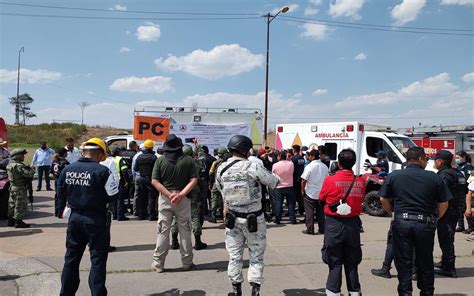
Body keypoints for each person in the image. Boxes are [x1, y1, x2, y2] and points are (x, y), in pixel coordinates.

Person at [379, 146, 451, 296]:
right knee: (425, 262)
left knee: (404, 263)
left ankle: (405, 293)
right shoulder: (434, 177)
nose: (427, 162)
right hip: (425, 225)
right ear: (420, 159)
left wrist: (392, 212)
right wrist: (437, 217)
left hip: (402, 224)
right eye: (426, 159)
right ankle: (427, 292)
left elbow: (383, 198)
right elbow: (444, 203)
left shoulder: (394, 176)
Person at [216, 135, 279, 296]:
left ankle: (236, 290)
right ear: (246, 150)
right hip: (254, 219)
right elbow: (273, 182)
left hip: (232, 218)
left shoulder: (221, 168)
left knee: (235, 256)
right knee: (256, 256)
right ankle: (255, 291)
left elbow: (219, 188)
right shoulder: (253, 166)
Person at [56, 137, 118, 296]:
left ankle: (66, 293)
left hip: (74, 219)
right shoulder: (103, 171)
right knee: (97, 260)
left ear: (84, 152)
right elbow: (113, 195)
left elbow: (60, 194)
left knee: (71, 258)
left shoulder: (68, 169)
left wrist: (59, 211)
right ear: (99, 154)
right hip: (96, 220)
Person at [319, 149, 365, 296]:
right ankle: (354, 291)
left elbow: (321, 199)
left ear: (338, 163)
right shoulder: (360, 181)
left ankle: (333, 292)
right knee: (352, 262)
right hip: (353, 224)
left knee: (334, 261)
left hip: (334, 224)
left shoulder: (330, 180)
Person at [151, 134, 197, 273]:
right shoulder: (188, 160)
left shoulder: (160, 161)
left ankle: (158, 263)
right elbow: (194, 180)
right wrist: (181, 194)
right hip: (183, 199)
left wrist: (169, 194)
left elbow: (154, 181)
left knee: (163, 230)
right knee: (185, 230)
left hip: (165, 198)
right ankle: (187, 262)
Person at [434, 150, 466, 278]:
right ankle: (445, 262)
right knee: (448, 237)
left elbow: (442, 196)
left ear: (440, 161)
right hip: (456, 209)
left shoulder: (444, 175)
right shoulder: (458, 173)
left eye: (436, 160)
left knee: (446, 239)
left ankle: (449, 268)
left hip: (447, 211)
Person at [170, 144, 207, 251]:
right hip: (194, 191)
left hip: (179, 191)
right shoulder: (195, 163)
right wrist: (197, 145)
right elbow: (202, 157)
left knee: (176, 216)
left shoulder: (175, 163)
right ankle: (198, 242)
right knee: (195, 216)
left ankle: (174, 242)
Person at [301, 150, 329, 235]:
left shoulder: (309, 166)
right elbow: (327, 180)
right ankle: (322, 229)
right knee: (320, 213)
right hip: (321, 193)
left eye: (309, 156)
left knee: (309, 212)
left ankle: (310, 229)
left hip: (310, 193)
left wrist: (302, 190)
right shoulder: (324, 166)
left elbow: (303, 180)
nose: (308, 157)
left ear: (312, 157)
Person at [6, 149, 35, 228]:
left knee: (12, 204)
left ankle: (10, 221)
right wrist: (32, 170)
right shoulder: (19, 166)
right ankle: (18, 222)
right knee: (20, 205)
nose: (23, 157)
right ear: (18, 156)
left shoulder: (10, 165)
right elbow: (28, 175)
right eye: (22, 155)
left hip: (12, 187)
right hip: (20, 188)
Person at [134, 139, 158, 220]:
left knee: (142, 197)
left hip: (141, 178)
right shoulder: (153, 157)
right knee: (151, 198)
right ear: (151, 147)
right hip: (150, 179)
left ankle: (142, 215)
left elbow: (136, 168)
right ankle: (151, 215)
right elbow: (156, 169)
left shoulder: (139, 157)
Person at [272, 150, 296, 224]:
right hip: (289, 185)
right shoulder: (291, 164)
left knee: (278, 203)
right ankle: (292, 219)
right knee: (290, 203)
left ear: (279, 156)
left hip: (279, 186)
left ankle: (278, 219)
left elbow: (273, 175)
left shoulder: (275, 165)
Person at [454, 150, 473, 234]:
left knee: (466, 209)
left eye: (458, 158)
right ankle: (461, 226)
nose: (456, 159)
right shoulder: (458, 167)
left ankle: (471, 227)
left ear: (463, 158)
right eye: (456, 157)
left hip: (466, 190)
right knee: (459, 209)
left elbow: (469, 179)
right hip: (459, 191)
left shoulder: (468, 167)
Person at [208, 147, 228, 223]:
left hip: (216, 183)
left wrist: (210, 183)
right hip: (226, 184)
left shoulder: (215, 163)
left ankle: (213, 216)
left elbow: (210, 173)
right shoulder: (228, 162)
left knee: (214, 199)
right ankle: (225, 217)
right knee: (225, 200)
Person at [112, 147, 130, 221]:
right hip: (120, 180)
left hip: (113, 180)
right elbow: (124, 170)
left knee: (114, 199)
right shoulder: (120, 159)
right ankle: (120, 216)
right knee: (120, 199)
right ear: (119, 152)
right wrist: (126, 181)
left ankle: (115, 215)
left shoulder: (111, 159)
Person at [121, 141, 138, 215]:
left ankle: (124, 209)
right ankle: (131, 208)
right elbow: (135, 166)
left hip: (124, 175)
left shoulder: (123, 154)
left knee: (124, 193)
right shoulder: (135, 154)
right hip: (131, 175)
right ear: (134, 146)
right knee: (131, 193)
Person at [52, 148, 70, 217]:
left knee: (57, 196)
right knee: (62, 197)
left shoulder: (54, 161)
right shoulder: (64, 162)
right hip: (62, 181)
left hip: (56, 180)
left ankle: (56, 211)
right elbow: (68, 171)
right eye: (66, 152)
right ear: (64, 153)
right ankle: (60, 212)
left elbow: (51, 171)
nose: (67, 154)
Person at [292, 144, 306, 215]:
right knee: (300, 196)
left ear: (294, 150)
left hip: (294, 179)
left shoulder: (293, 159)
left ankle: (293, 210)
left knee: (293, 196)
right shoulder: (302, 158)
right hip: (301, 178)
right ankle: (301, 210)